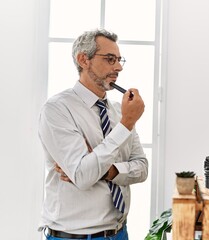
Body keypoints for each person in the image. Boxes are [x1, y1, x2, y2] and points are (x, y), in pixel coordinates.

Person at [38, 28, 148, 240]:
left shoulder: (119, 110)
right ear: (83, 60)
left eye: (119, 59)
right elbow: (83, 176)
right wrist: (126, 125)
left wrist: (109, 170)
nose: (118, 67)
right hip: (72, 236)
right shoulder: (57, 110)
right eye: (110, 59)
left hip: (119, 232)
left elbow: (142, 168)